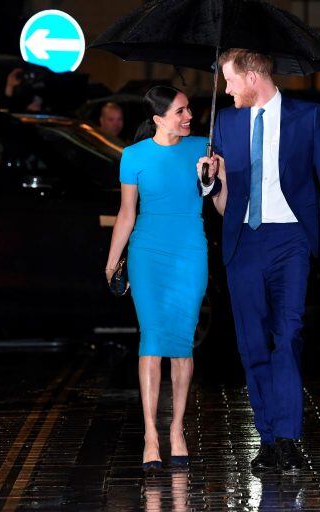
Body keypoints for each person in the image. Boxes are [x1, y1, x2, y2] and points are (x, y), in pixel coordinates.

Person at [198, 49, 320, 473]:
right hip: (244, 241)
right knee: (252, 346)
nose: (226, 90)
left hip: (292, 240)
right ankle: (268, 439)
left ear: (252, 77)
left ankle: (289, 437)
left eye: (230, 80)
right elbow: (225, 204)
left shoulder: (307, 116)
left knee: (288, 336)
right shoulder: (227, 122)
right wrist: (211, 183)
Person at [105, 86, 214, 472]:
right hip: (147, 254)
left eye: (189, 110)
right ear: (158, 118)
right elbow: (126, 213)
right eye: (181, 111)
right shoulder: (133, 156)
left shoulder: (204, 148)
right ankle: (151, 434)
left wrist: (212, 179)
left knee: (182, 342)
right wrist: (112, 259)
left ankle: (177, 429)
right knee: (151, 338)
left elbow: (222, 204)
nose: (189, 117)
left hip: (190, 252)